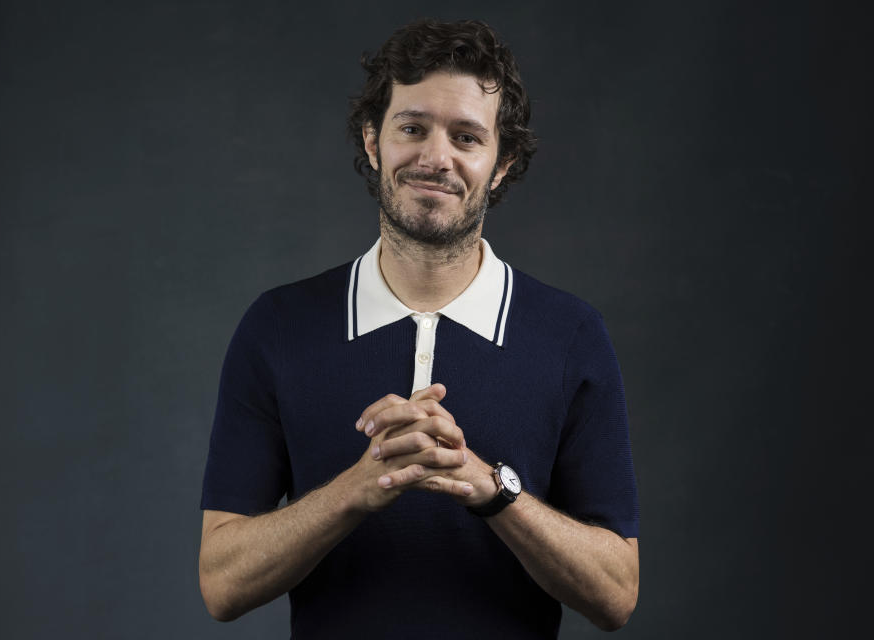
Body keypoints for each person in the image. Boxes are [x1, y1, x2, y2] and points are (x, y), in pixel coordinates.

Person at [198, 18, 639, 638]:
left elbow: (616, 594)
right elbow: (221, 583)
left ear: (502, 162)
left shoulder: (570, 335)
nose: (437, 158)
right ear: (373, 140)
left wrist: (491, 489)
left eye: (466, 137)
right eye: (413, 128)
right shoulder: (279, 326)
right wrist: (358, 486)